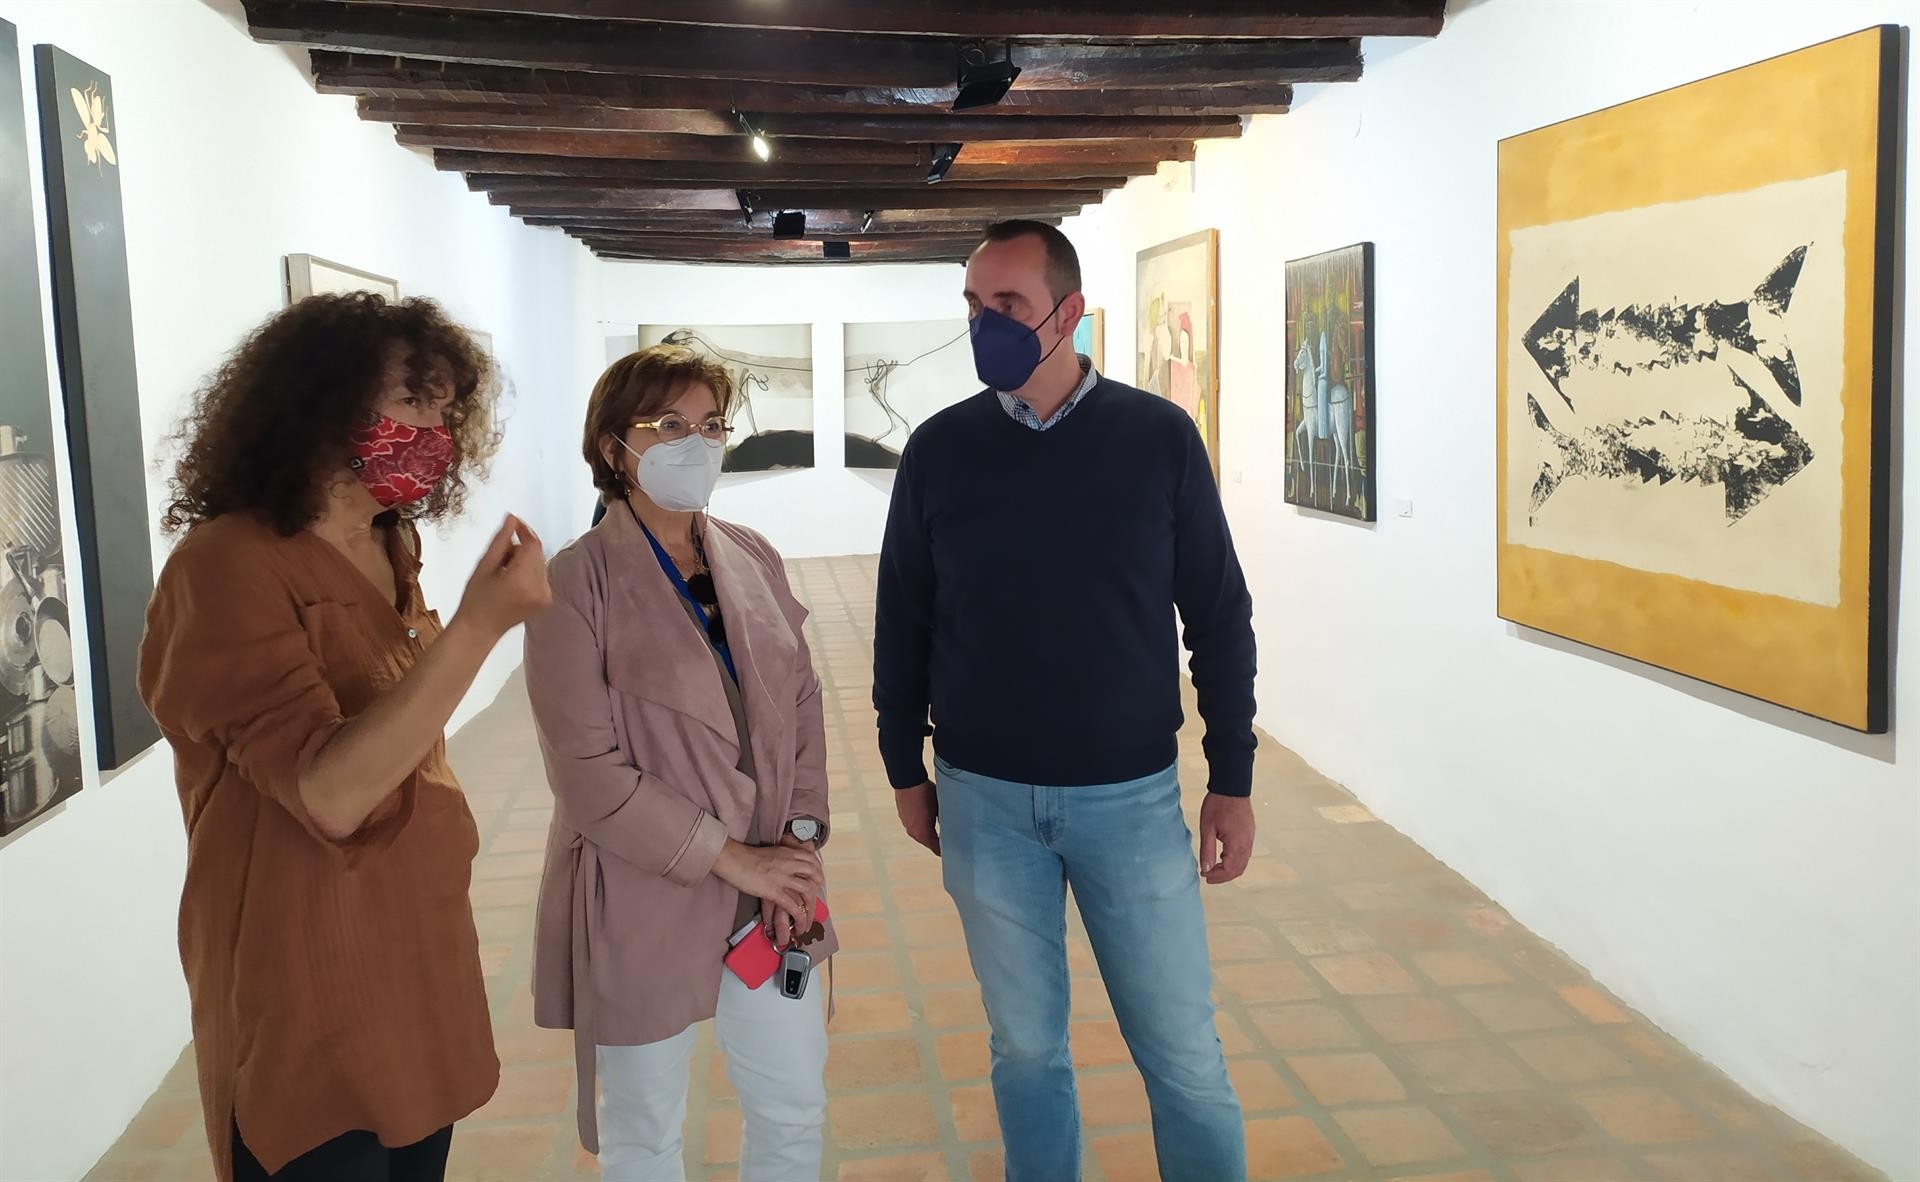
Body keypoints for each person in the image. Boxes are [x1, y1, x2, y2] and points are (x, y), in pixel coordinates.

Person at [874, 220, 1259, 1182]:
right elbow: (903, 619)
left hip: (1127, 800)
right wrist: (901, 766)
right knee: (1028, 1053)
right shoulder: (940, 450)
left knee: (1183, 1057)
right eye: (973, 306)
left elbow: (1218, 613)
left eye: (1006, 305)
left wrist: (1233, 776)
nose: (985, 325)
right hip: (984, 800)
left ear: (1070, 314)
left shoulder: (1157, 438)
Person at [139, 292, 551, 1182]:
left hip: (411, 951)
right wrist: (480, 629)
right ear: (321, 404)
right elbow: (328, 794)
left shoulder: (389, 541)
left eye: (446, 410)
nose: (435, 431)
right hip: (307, 975)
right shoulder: (224, 566)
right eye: (413, 402)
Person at [523, 344, 836, 1182]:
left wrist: (799, 840)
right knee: (644, 1131)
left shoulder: (752, 555)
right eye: (668, 425)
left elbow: (801, 704)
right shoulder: (573, 584)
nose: (693, 444)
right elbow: (588, 775)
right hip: (644, 886)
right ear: (610, 447)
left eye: (710, 425)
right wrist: (736, 860)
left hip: (772, 890)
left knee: (792, 1106)